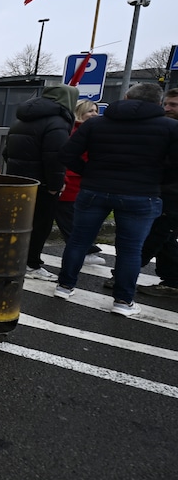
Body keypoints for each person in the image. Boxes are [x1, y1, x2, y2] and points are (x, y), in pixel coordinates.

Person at [55, 83, 178, 317]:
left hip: (95, 189)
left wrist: (88, 172)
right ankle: (123, 300)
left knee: (78, 241)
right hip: (141, 194)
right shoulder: (170, 128)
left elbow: (67, 154)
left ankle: (65, 285)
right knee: (130, 250)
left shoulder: (96, 123)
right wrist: (157, 181)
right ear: (158, 102)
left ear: (126, 97)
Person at [3, 84, 78, 282]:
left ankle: (13, 259)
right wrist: (55, 185)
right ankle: (32, 263)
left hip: (18, 181)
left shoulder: (21, 120)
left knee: (19, 223)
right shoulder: (57, 122)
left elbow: (6, 152)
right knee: (40, 225)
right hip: (42, 184)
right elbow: (56, 158)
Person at [136, 88, 178, 297]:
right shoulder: (166, 128)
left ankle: (128, 272)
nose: (168, 108)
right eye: (166, 104)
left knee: (159, 233)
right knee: (166, 236)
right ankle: (172, 279)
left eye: (174, 105)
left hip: (172, 193)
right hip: (161, 189)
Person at [54, 100, 105, 266]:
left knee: (71, 218)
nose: (94, 114)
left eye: (96, 111)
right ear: (79, 112)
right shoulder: (75, 131)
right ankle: (85, 251)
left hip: (79, 181)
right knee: (69, 219)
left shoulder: (85, 130)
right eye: (90, 111)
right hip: (71, 181)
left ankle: (85, 250)